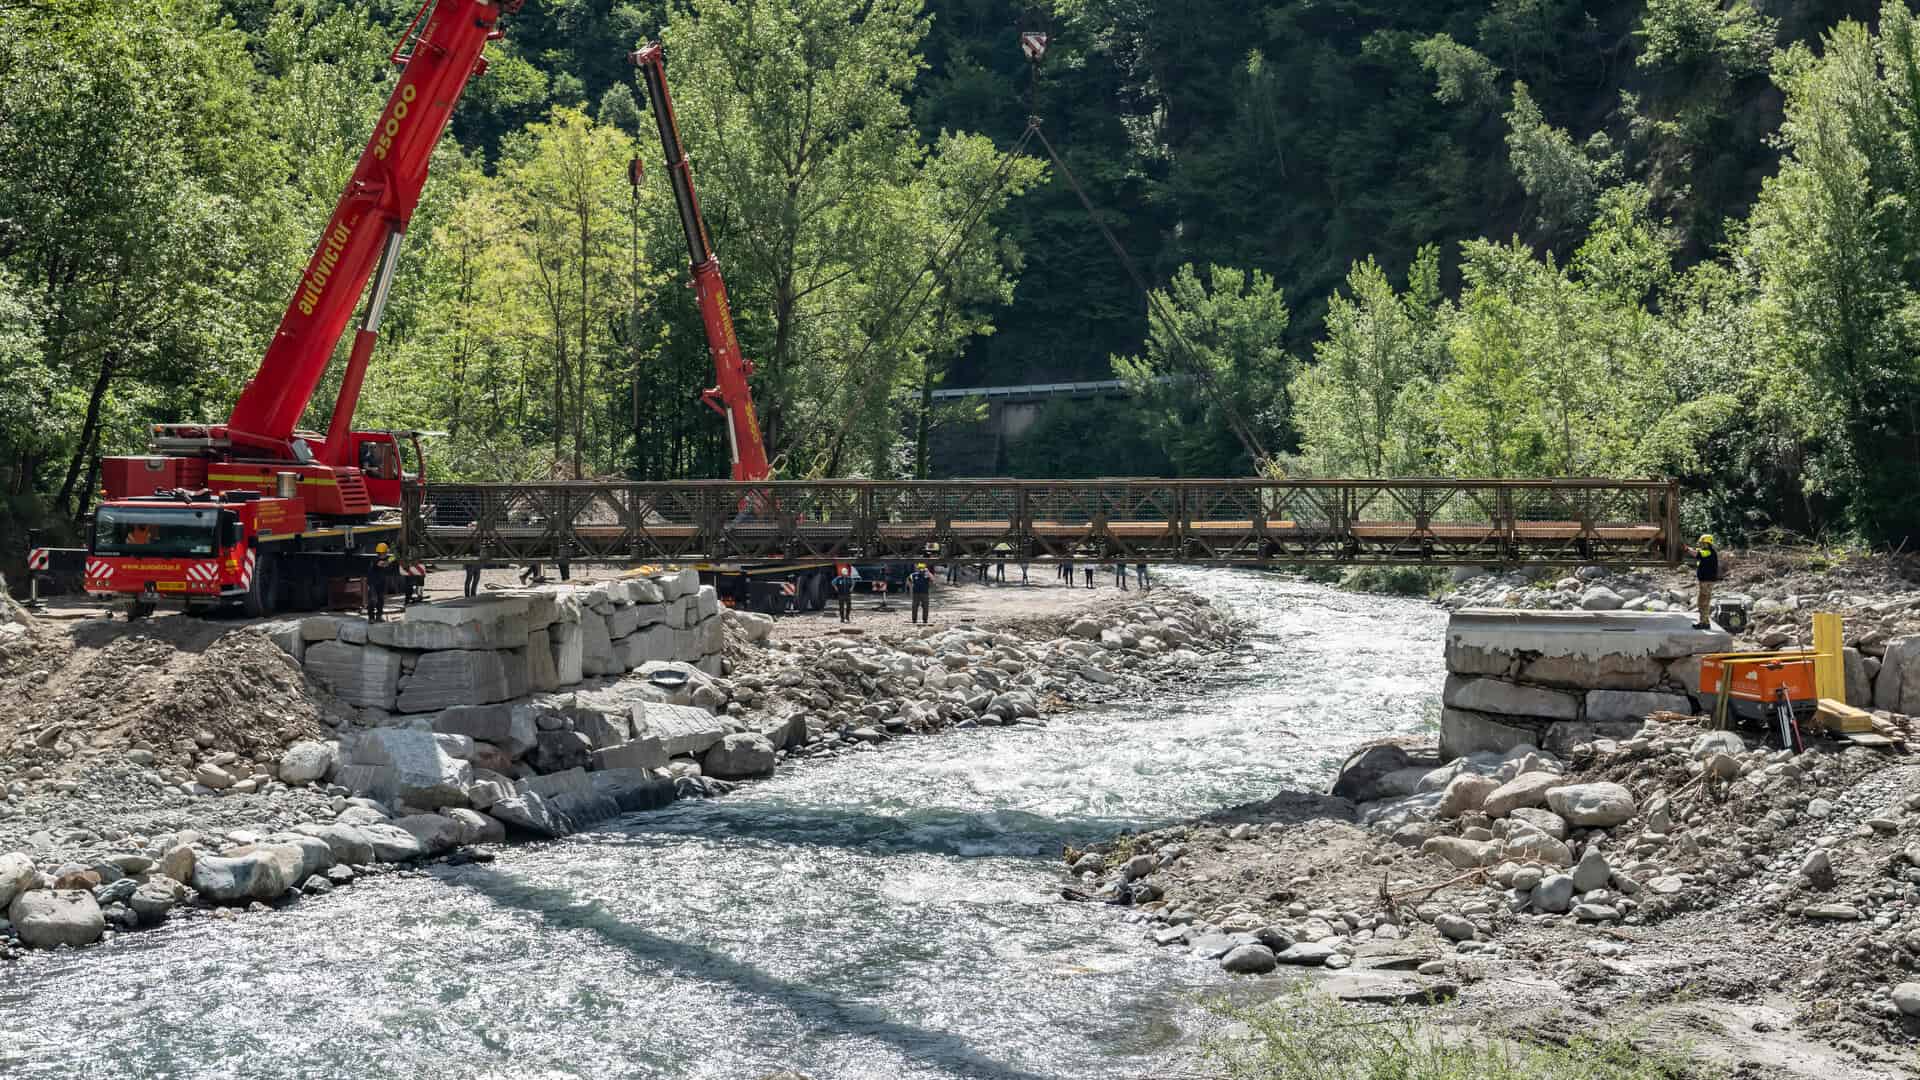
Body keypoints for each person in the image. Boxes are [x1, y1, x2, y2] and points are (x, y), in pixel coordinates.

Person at [1685, 533, 1720, 629]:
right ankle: (1705, 622)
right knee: (1704, 601)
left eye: (1702, 543)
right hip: (1707, 580)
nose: (1701, 545)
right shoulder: (1708, 552)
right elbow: (1699, 553)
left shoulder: (1708, 552)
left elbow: (1697, 554)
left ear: (1707, 544)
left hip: (1706, 581)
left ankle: (1703, 623)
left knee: (1703, 602)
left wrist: (1687, 549)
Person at [367, 543, 397, 622]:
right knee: (373, 600)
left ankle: (378, 617)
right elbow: (384, 564)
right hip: (373, 583)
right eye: (385, 552)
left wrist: (395, 556)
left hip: (381, 583)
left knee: (381, 600)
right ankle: (371, 618)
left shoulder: (384, 558)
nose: (386, 554)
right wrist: (394, 557)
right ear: (383, 552)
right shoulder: (375, 560)